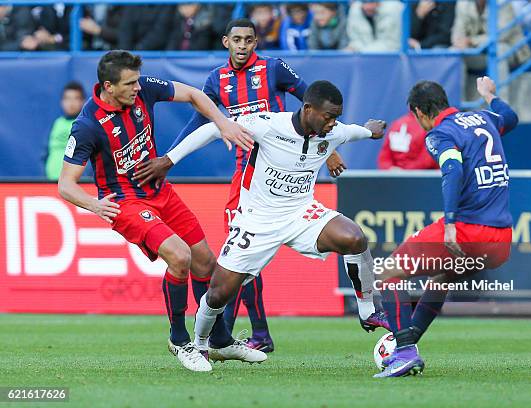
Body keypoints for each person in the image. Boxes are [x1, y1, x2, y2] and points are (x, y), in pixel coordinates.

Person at [134, 81, 391, 368]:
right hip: (257, 220)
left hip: (301, 213)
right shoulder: (268, 125)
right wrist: (169, 160)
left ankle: (368, 310)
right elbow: (211, 129)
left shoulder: (333, 131)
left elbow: (357, 130)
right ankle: (203, 344)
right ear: (307, 109)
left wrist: (371, 130)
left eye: (336, 117)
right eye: (329, 116)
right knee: (219, 293)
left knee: (354, 237)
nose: (333, 124)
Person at [148, 18, 348, 353]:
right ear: (226, 41)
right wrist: (170, 158)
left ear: (256, 43)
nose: (243, 46)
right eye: (237, 40)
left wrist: (329, 148)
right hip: (246, 175)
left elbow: (313, 101)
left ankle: (238, 334)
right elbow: (202, 121)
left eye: (249, 40)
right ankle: (257, 333)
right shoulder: (218, 79)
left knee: (242, 255)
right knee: (240, 253)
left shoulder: (273, 69)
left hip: (283, 171)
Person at [58, 50, 262, 373]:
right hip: (126, 203)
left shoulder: (145, 89)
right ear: (108, 87)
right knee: (179, 257)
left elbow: (194, 94)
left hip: (160, 191)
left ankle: (219, 340)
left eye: (138, 81)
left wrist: (223, 123)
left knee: (205, 260)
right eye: (129, 84)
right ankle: (180, 340)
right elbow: (65, 185)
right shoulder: (87, 126)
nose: (137, 88)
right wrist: (96, 206)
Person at [374, 77, 517, 378]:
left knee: (387, 273)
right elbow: (511, 118)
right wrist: (490, 96)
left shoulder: (439, 133)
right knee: (441, 276)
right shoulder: (484, 117)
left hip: (467, 230)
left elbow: (452, 169)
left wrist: (450, 221)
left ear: (418, 112)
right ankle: (409, 340)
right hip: (501, 239)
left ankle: (404, 352)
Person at [45, 81, 86, 180]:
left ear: (83, 101)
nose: (71, 103)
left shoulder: (86, 125)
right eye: (67, 99)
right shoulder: (56, 124)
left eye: (75, 98)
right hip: (51, 182)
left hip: (78, 184)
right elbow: (45, 152)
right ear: (62, 102)